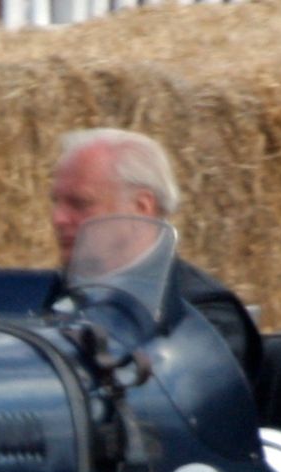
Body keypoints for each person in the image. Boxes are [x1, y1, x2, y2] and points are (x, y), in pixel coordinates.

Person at [49, 127, 260, 372]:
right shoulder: (46, 297)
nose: (58, 219)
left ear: (141, 208)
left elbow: (173, 390)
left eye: (80, 203)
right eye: (56, 202)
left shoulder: (202, 314)